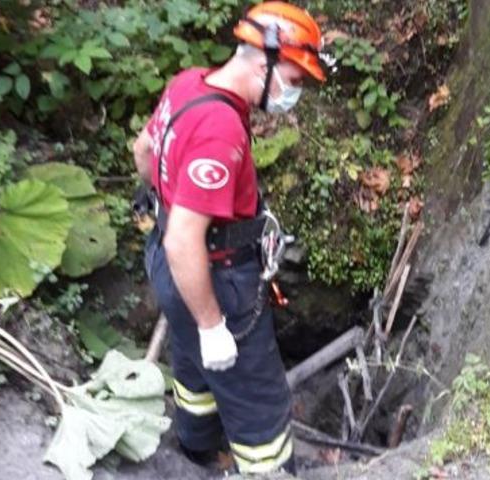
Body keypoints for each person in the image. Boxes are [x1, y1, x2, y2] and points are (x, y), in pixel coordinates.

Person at [131, 2, 326, 475]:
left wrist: (170, 199)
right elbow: (185, 242)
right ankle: (266, 468)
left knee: (193, 367)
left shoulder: (188, 83)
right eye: (294, 81)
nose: (291, 94)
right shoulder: (220, 129)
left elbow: (143, 150)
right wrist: (214, 324)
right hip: (214, 277)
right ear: (265, 63)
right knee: (258, 399)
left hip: (165, 265)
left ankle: (196, 449)